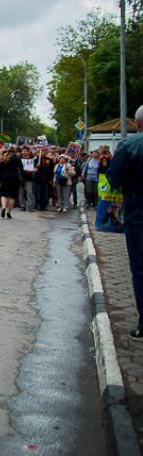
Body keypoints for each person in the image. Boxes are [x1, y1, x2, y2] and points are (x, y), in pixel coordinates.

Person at [106, 105, 143, 340]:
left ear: (137, 124)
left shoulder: (130, 145)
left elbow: (114, 177)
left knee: (140, 270)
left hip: (138, 215)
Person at [0, 146, 22, 220]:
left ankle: (3, 207)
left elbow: (0, 169)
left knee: (4, 194)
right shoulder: (17, 159)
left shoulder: (4, 158)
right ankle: (9, 212)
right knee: (12, 196)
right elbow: (21, 169)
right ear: (15, 151)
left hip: (4, 177)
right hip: (14, 178)